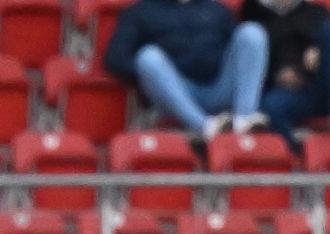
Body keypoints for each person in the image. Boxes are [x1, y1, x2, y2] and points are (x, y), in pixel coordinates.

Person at [104, 0, 271, 141]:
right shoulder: (139, 12)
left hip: (218, 87)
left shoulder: (215, 9)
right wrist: (152, 78)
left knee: (252, 33)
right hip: (175, 93)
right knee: (148, 57)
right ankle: (206, 126)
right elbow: (115, 58)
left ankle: (245, 119)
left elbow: (240, 51)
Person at [240, 0, 330, 143]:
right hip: (285, 92)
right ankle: (298, 156)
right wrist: (276, 76)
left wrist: (320, 52)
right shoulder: (254, 16)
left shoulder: (317, 13)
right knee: (270, 106)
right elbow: (247, 67)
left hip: (321, 84)